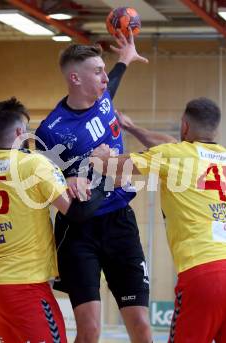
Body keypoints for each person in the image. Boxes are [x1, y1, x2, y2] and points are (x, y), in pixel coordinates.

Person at [91, 97, 226, 343]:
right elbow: (170, 144)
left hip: (205, 274)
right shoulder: (222, 156)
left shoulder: (173, 155)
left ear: (184, 126)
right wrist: (132, 128)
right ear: (215, 128)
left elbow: (111, 167)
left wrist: (100, 156)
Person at [34, 30, 152, 343]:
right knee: (90, 330)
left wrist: (125, 58)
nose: (104, 77)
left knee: (140, 323)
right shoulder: (50, 131)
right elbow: (37, 178)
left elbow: (114, 79)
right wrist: (65, 179)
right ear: (75, 78)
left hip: (120, 224)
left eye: (104, 70)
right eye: (97, 71)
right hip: (79, 231)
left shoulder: (104, 100)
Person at [0, 97, 108, 343]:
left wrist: (61, 181)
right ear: (19, 132)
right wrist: (103, 175)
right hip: (24, 286)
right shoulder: (34, 164)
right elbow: (77, 212)